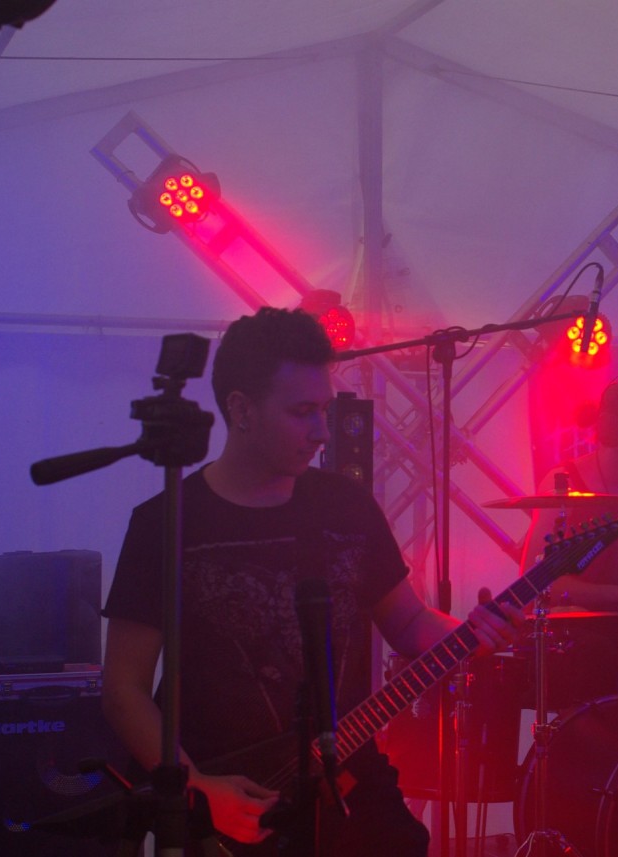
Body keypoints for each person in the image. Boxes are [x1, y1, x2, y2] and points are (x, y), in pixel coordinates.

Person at [101, 307, 519, 856]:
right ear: (241, 410)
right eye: (302, 413)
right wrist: (197, 789)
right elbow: (124, 687)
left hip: (346, 780)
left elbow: (409, 622)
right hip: (231, 803)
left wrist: (469, 635)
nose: (322, 432)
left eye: (324, 410)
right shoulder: (166, 523)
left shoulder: (347, 506)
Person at [518, 377, 618, 703]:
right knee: (600, 657)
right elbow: (534, 582)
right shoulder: (563, 485)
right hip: (573, 640)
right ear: (615, 430)